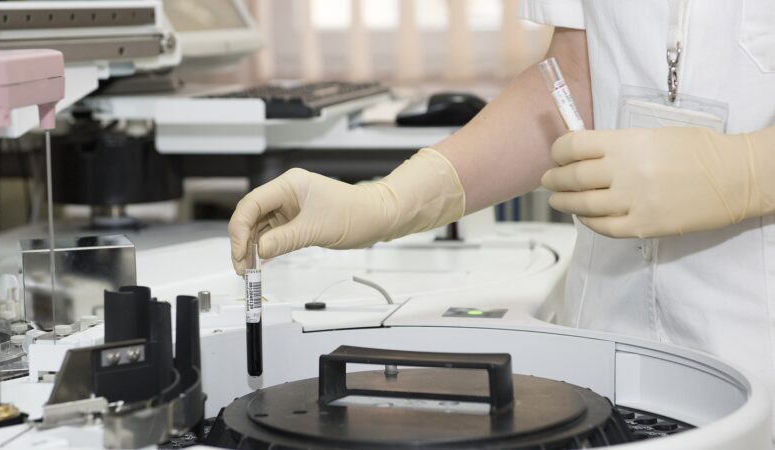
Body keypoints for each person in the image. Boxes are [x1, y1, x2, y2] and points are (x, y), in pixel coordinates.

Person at [229, 0, 775, 399]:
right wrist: (389, 202)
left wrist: (748, 172)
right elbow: (574, 82)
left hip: (757, 352)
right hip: (606, 349)